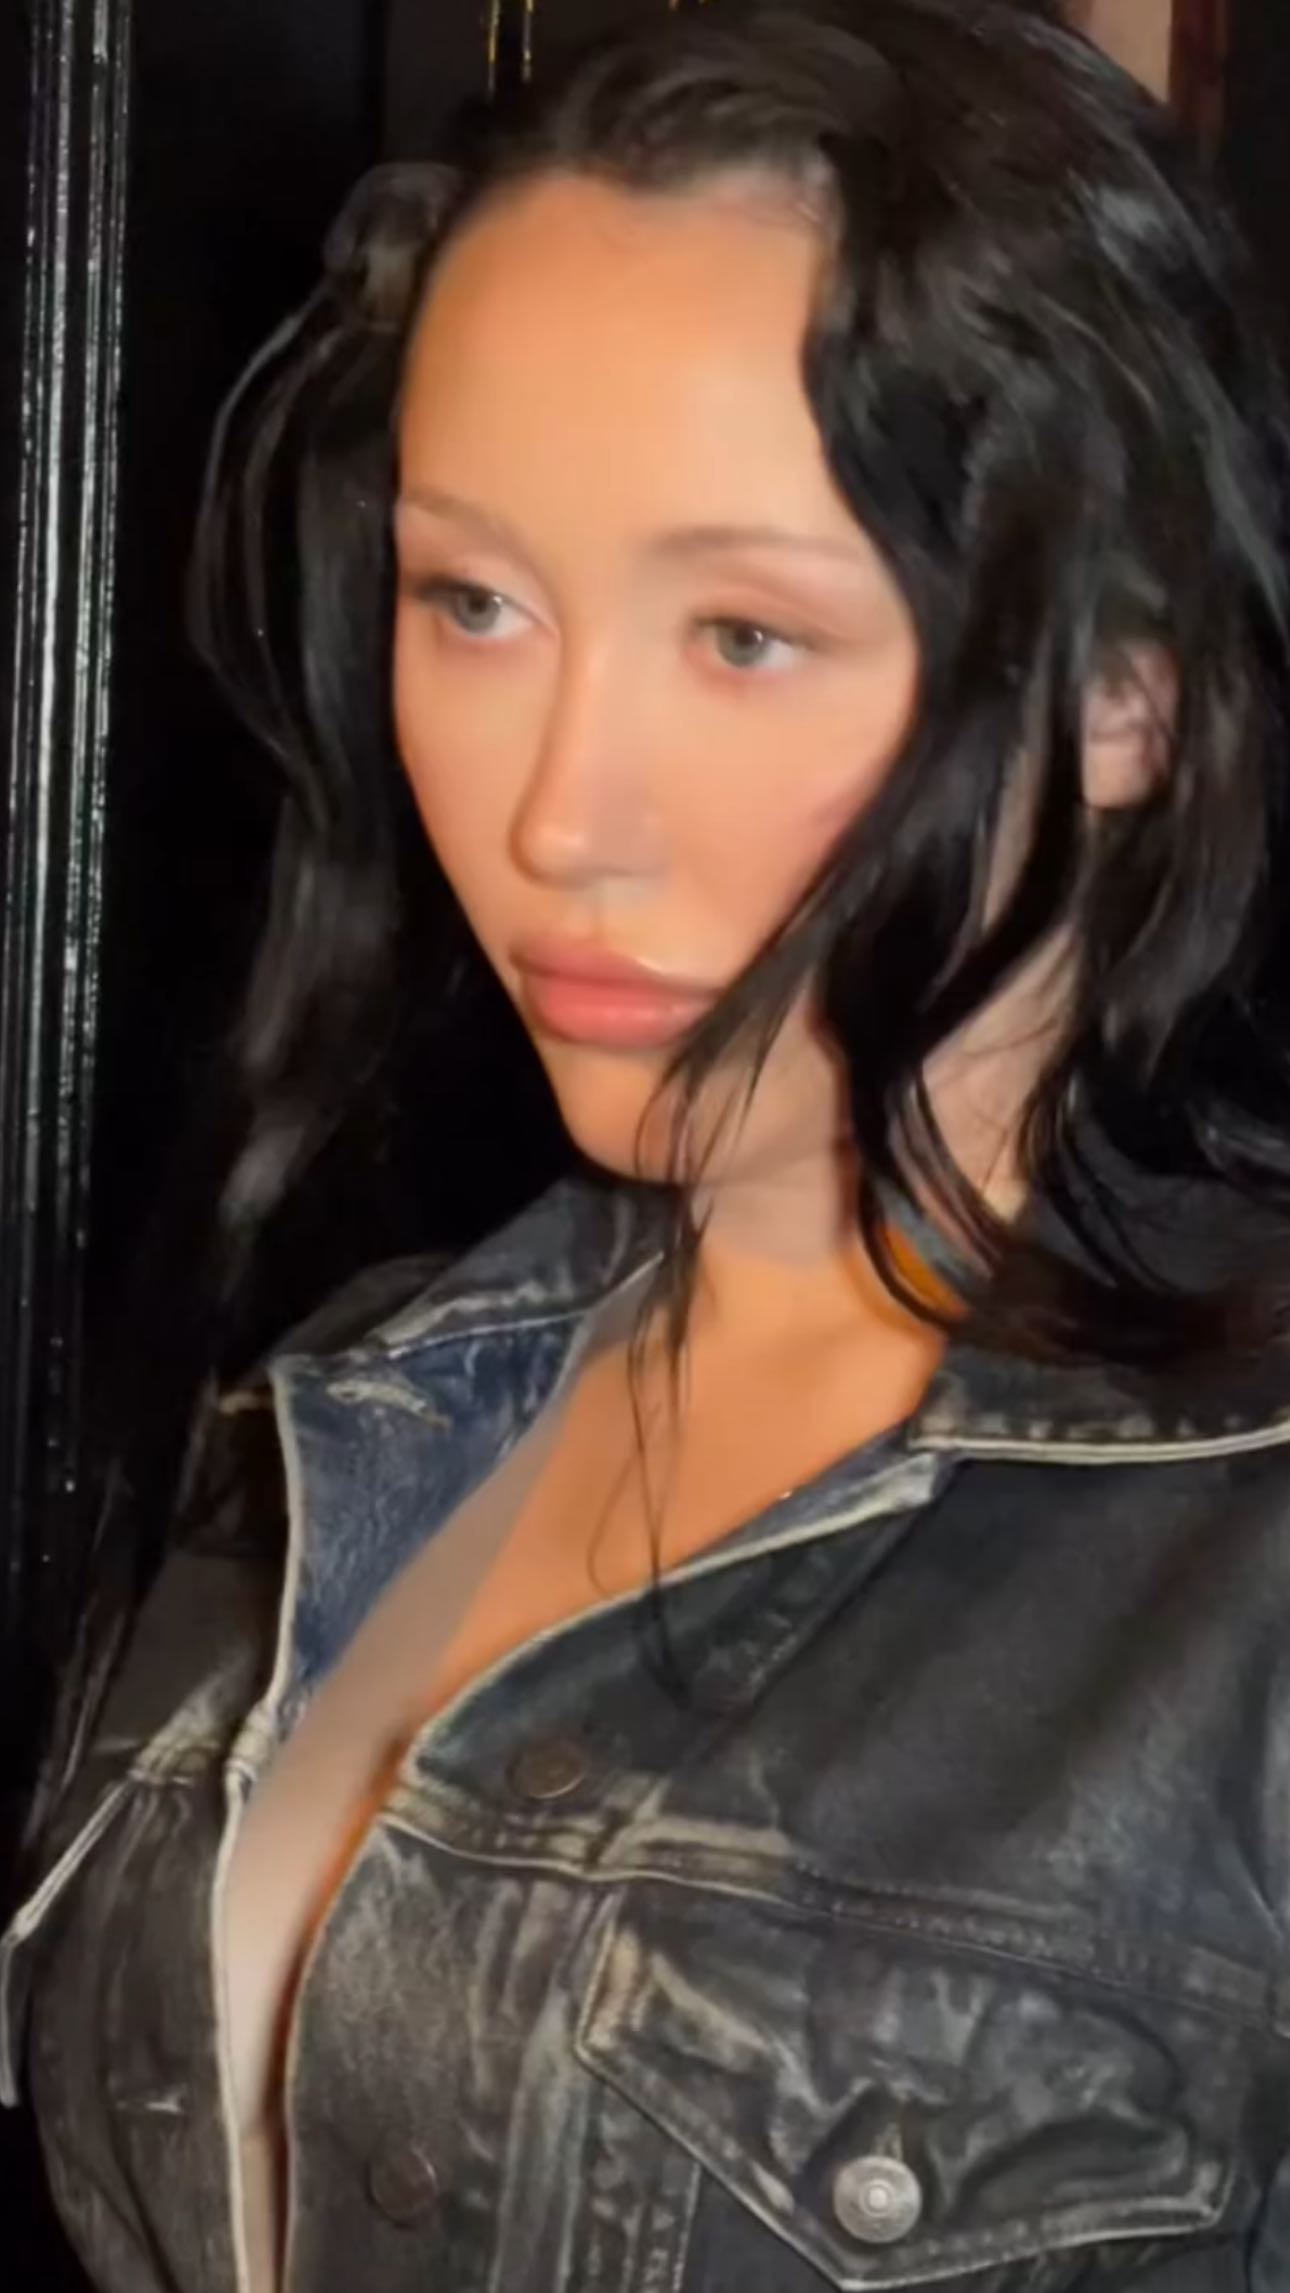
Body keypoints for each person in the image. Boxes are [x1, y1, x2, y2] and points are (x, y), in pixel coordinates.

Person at [6, 0, 1290, 2286]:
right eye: (474, 601)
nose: (555, 814)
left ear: (1130, 694)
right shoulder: (344, 1416)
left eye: (743, 634)